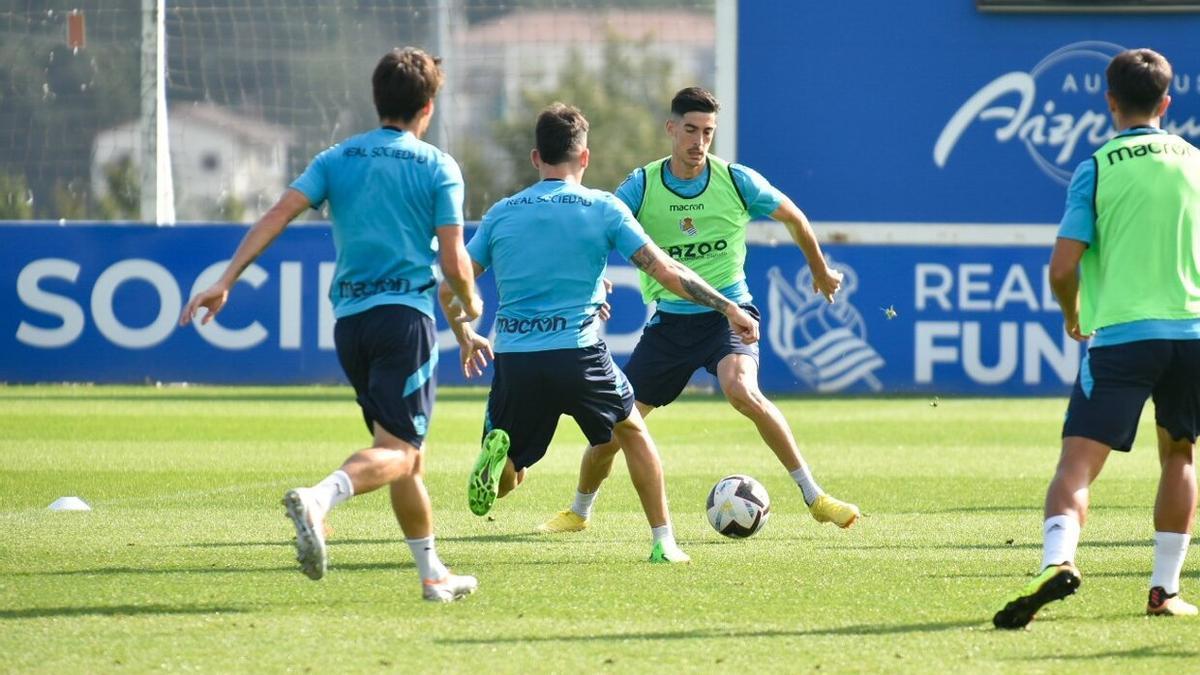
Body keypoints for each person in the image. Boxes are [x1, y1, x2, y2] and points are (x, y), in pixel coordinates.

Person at [180, 47, 482, 603]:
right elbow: (454, 257)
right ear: (429, 106)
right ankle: (321, 498)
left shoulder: (337, 158)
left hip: (350, 324)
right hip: (405, 321)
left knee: (400, 454)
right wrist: (470, 300)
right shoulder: (438, 166)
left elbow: (276, 215)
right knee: (404, 452)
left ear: (377, 98)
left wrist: (226, 279)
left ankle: (433, 574)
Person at [441, 102, 760, 563]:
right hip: (578, 354)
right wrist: (729, 306)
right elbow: (667, 271)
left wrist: (467, 334)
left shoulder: (502, 214)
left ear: (536, 158)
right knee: (633, 433)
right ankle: (663, 542)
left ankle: (502, 463)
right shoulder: (603, 208)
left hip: (516, 358)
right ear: (585, 157)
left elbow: (452, 287)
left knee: (512, 475)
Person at [536, 87, 860, 535]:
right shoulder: (642, 185)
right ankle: (579, 511)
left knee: (741, 389)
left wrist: (820, 271)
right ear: (671, 128)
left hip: (729, 314)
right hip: (669, 323)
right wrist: (595, 278)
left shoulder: (736, 181)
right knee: (613, 427)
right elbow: (598, 230)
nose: (699, 141)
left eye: (708, 132)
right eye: (690, 129)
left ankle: (815, 497)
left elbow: (795, 218)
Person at [993, 48, 1200, 629]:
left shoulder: (1099, 166)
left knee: (1077, 466)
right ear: (1166, 103)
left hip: (1122, 336)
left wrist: (1071, 311)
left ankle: (1058, 562)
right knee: (1180, 454)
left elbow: (1063, 269)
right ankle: (1164, 590)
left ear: (1110, 102)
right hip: (1192, 333)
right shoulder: (1196, 163)